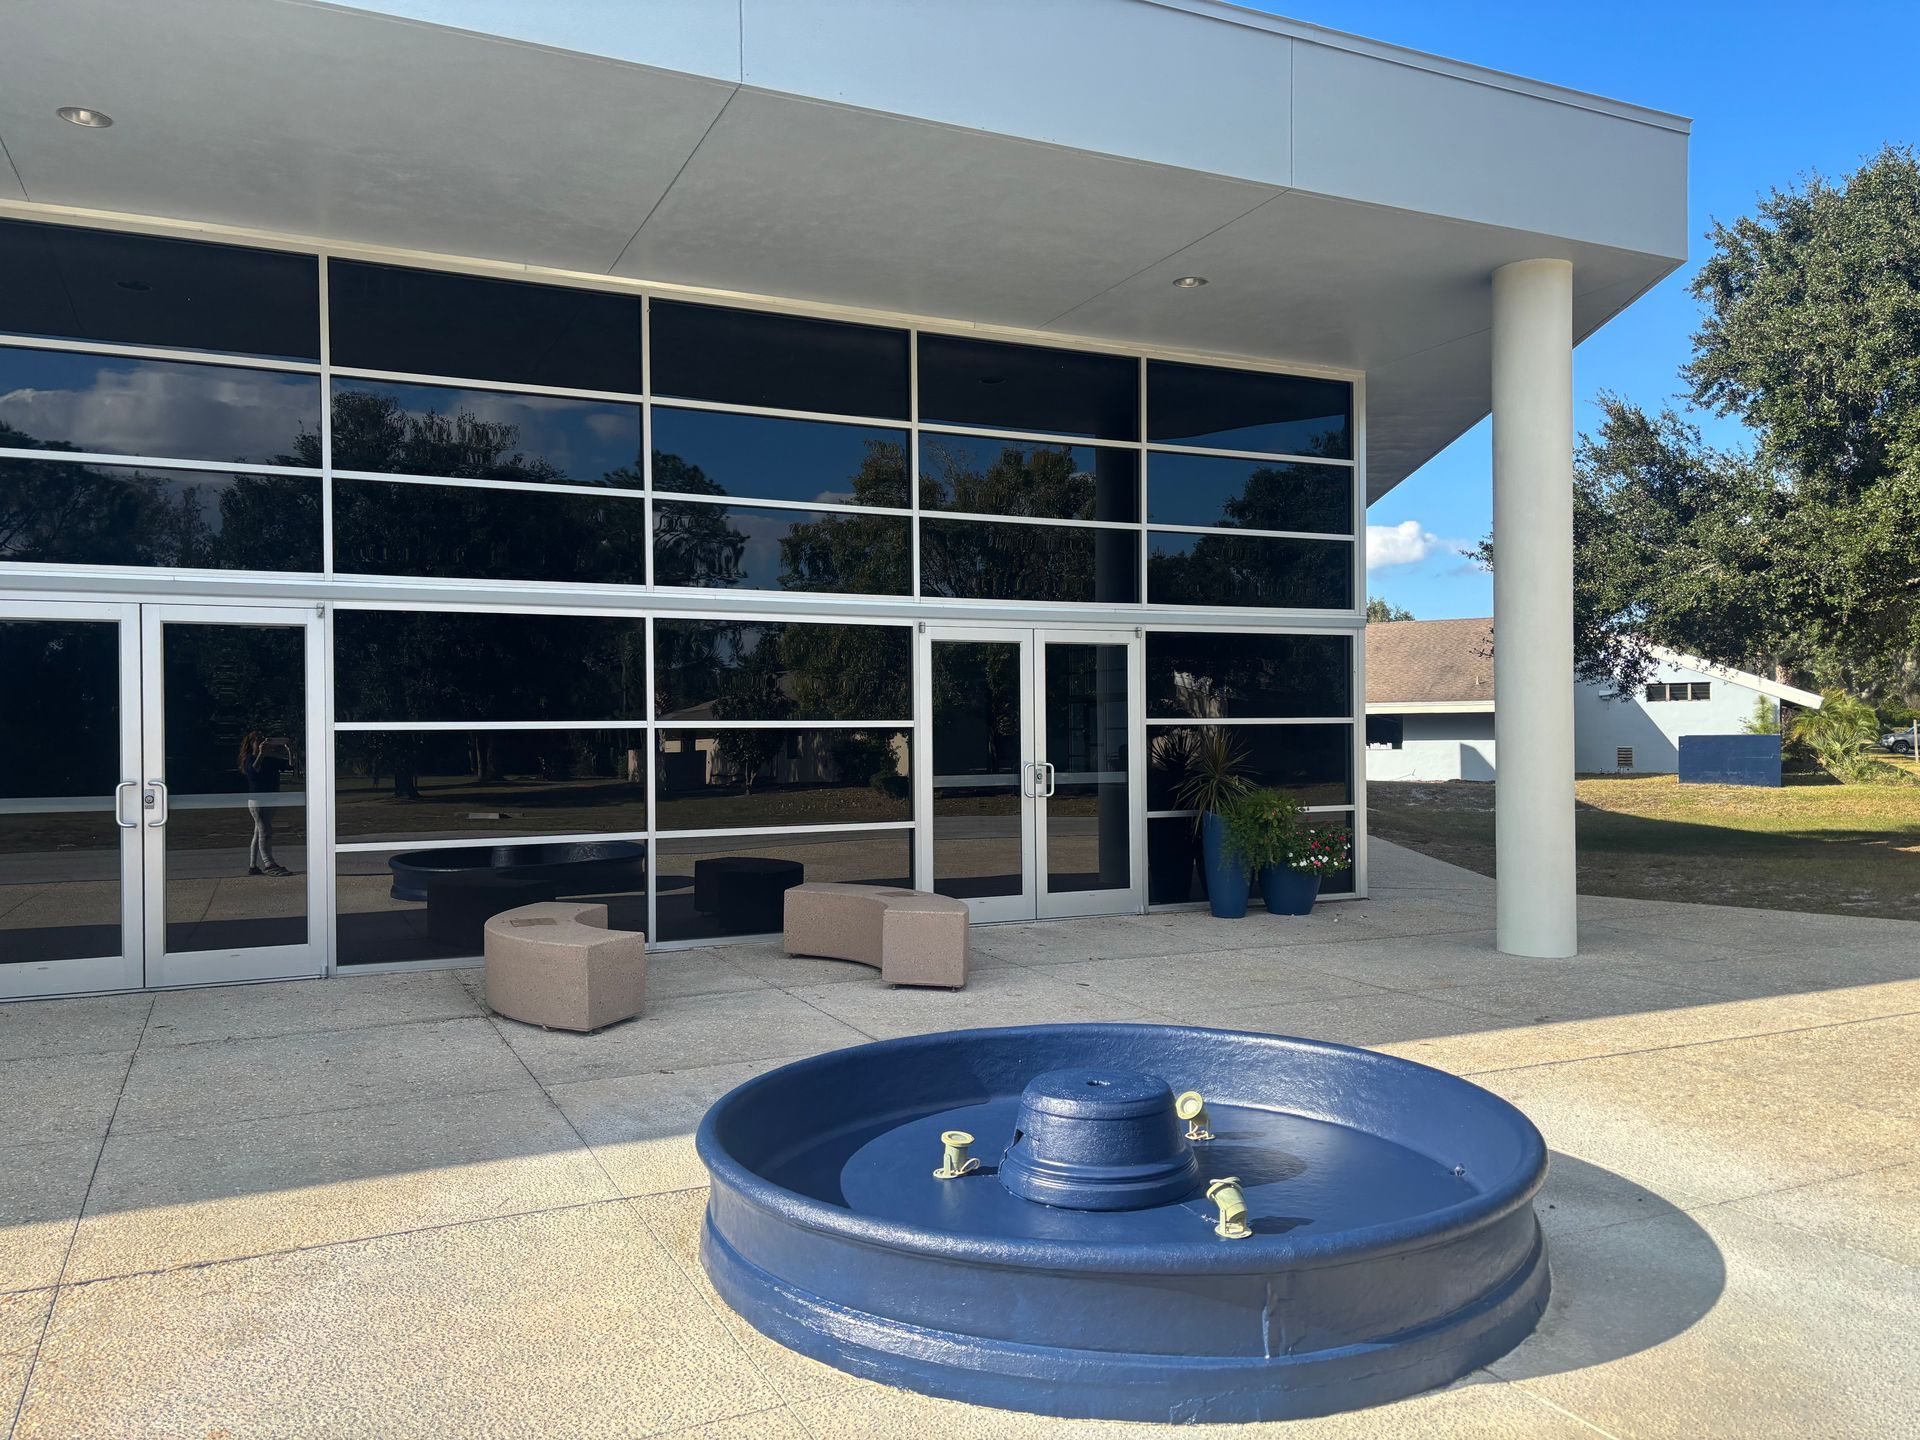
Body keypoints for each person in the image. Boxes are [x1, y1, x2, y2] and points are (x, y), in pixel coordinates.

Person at [238, 730, 294, 877]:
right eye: (258, 740)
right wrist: (261, 754)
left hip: (271, 799)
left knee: (259, 832)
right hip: (258, 801)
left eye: (264, 739)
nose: (262, 742)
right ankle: (269, 863)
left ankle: (253, 865)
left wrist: (289, 750)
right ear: (251, 744)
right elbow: (253, 771)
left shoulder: (270, 759)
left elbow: (290, 767)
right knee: (265, 831)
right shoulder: (249, 759)